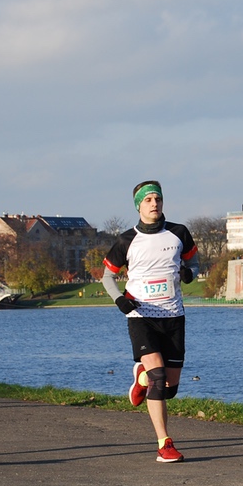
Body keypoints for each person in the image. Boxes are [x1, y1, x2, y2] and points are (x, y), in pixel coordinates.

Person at [102, 180, 199, 463]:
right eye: (148, 200)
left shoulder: (179, 233)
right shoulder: (126, 240)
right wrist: (119, 300)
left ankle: (141, 376)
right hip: (141, 316)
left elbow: (194, 264)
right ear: (138, 206)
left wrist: (190, 274)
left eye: (158, 198)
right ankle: (164, 444)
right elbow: (108, 276)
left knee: (170, 388)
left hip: (173, 316)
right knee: (159, 378)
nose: (154, 203)